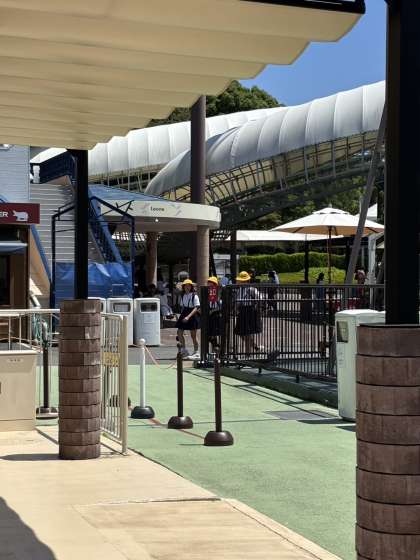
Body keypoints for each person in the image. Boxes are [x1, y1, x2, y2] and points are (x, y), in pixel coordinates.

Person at [234, 271, 262, 355]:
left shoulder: (252, 289)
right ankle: (255, 347)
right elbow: (238, 301)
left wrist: (257, 308)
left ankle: (248, 353)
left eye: (241, 280)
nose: (239, 282)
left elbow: (260, 299)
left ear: (246, 281)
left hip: (250, 311)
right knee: (241, 333)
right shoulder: (239, 290)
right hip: (242, 311)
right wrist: (236, 308)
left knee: (247, 334)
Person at [175, 279, 200, 359]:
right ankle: (184, 350)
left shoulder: (194, 296)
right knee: (179, 332)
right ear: (183, 287)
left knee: (193, 335)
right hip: (184, 313)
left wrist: (188, 317)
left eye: (189, 285)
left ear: (191, 287)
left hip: (192, 315)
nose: (187, 287)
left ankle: (196, 352)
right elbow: (182, 306)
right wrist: (180, 316)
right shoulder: (183, 295)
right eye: (186, 286)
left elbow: (196, 307)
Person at [207, 276, 222, 355]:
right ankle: (214, 350)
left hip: (216, 315)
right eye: (209, 282)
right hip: (209, 316)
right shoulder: (207, 292)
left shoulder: (218, 293)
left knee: (215, 334)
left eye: (211, 283)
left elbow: (220, 306)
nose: (209, 284)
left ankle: (217, 351)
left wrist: (212, 311)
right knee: (210, 335)